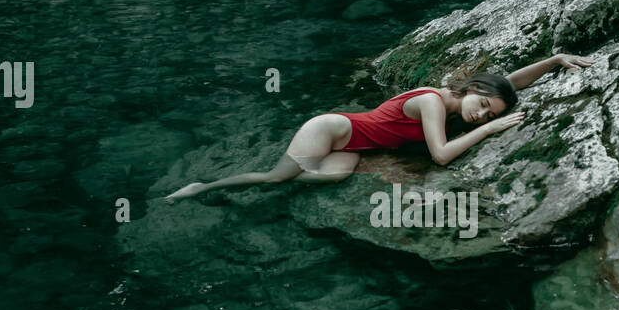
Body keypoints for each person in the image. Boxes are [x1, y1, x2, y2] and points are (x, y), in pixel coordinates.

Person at [163, 53, 595, 203]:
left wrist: (556, 61)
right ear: (470, 89)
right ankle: (204, 186)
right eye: (482, 106)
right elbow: (441, 156)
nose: (482, 115)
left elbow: (508, 84)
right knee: (276, 179)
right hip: (331, 129)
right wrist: (487, 132)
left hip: (357, 143)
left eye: (488, 114)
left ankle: (343, 166)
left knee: (337, 176)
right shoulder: (431, 102)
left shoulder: (461, 100)